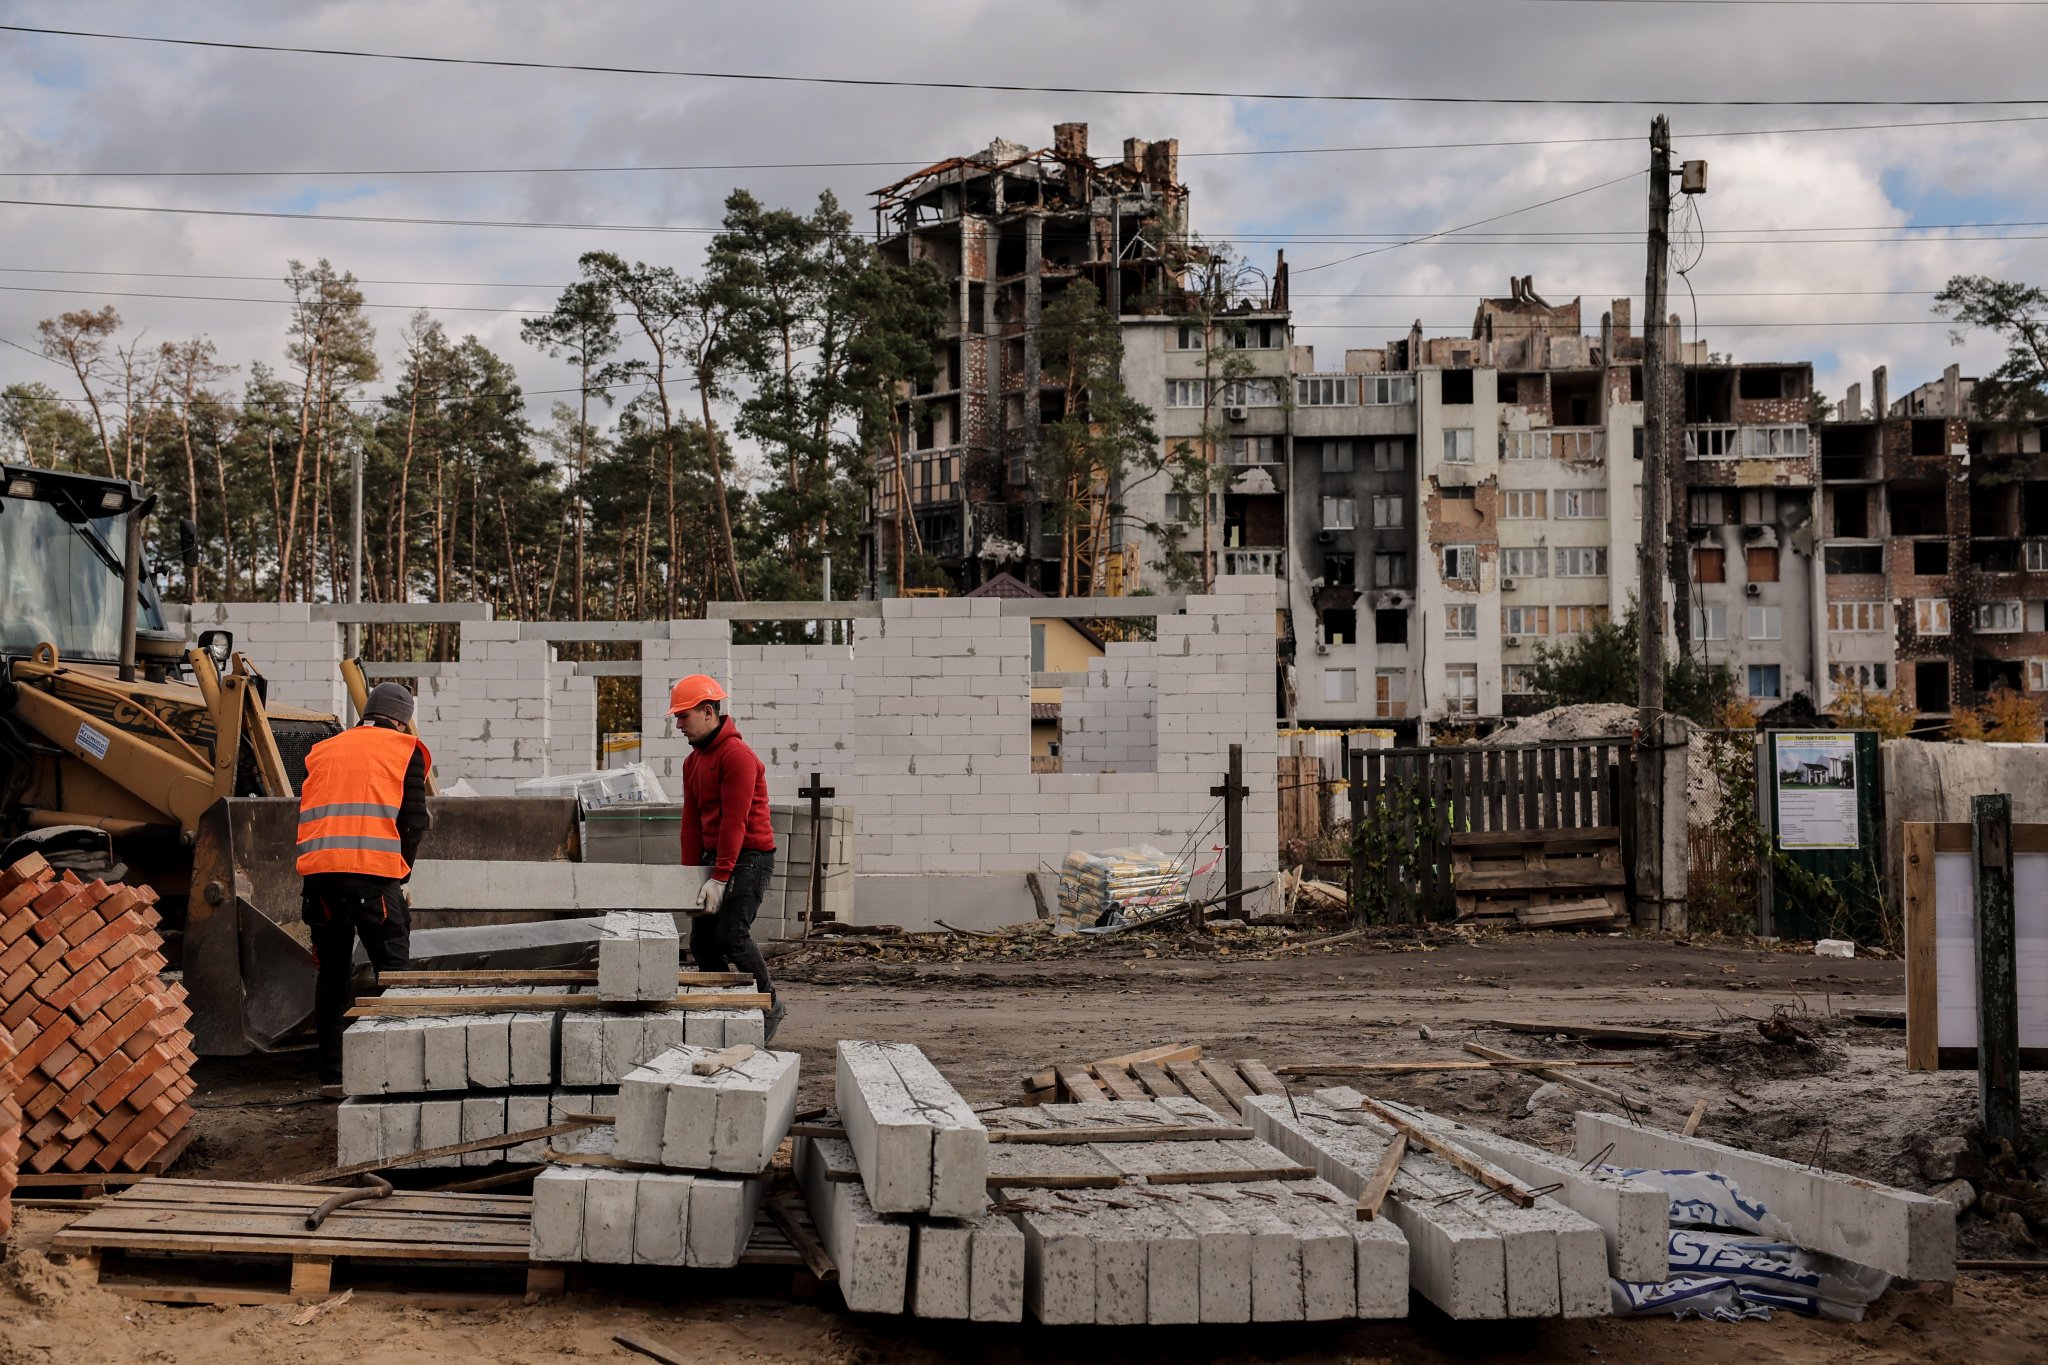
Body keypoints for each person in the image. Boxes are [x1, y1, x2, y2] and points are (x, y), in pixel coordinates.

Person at [297, 681, 431, 1085]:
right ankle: (396, 1073)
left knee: (333, 976)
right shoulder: (405, 750)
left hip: (319, 879)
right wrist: (401, 870)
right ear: (402, 720)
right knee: (393, 973)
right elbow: (415, 822)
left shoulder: (323, 749)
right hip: (373, 877)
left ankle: (332, 1077)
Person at [670, 674, 784, 1041]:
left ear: (707, 711)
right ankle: (726, 1006)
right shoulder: (693, 763)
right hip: (715, 854)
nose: (678, 724)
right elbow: (690, 822)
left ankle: (768, 1003)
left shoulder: (738, 757)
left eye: (683, 716)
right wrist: (691, 879)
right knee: (702, 943)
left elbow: (735, 822)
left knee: (732, 935)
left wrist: (720, 878)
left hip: (751, 856)